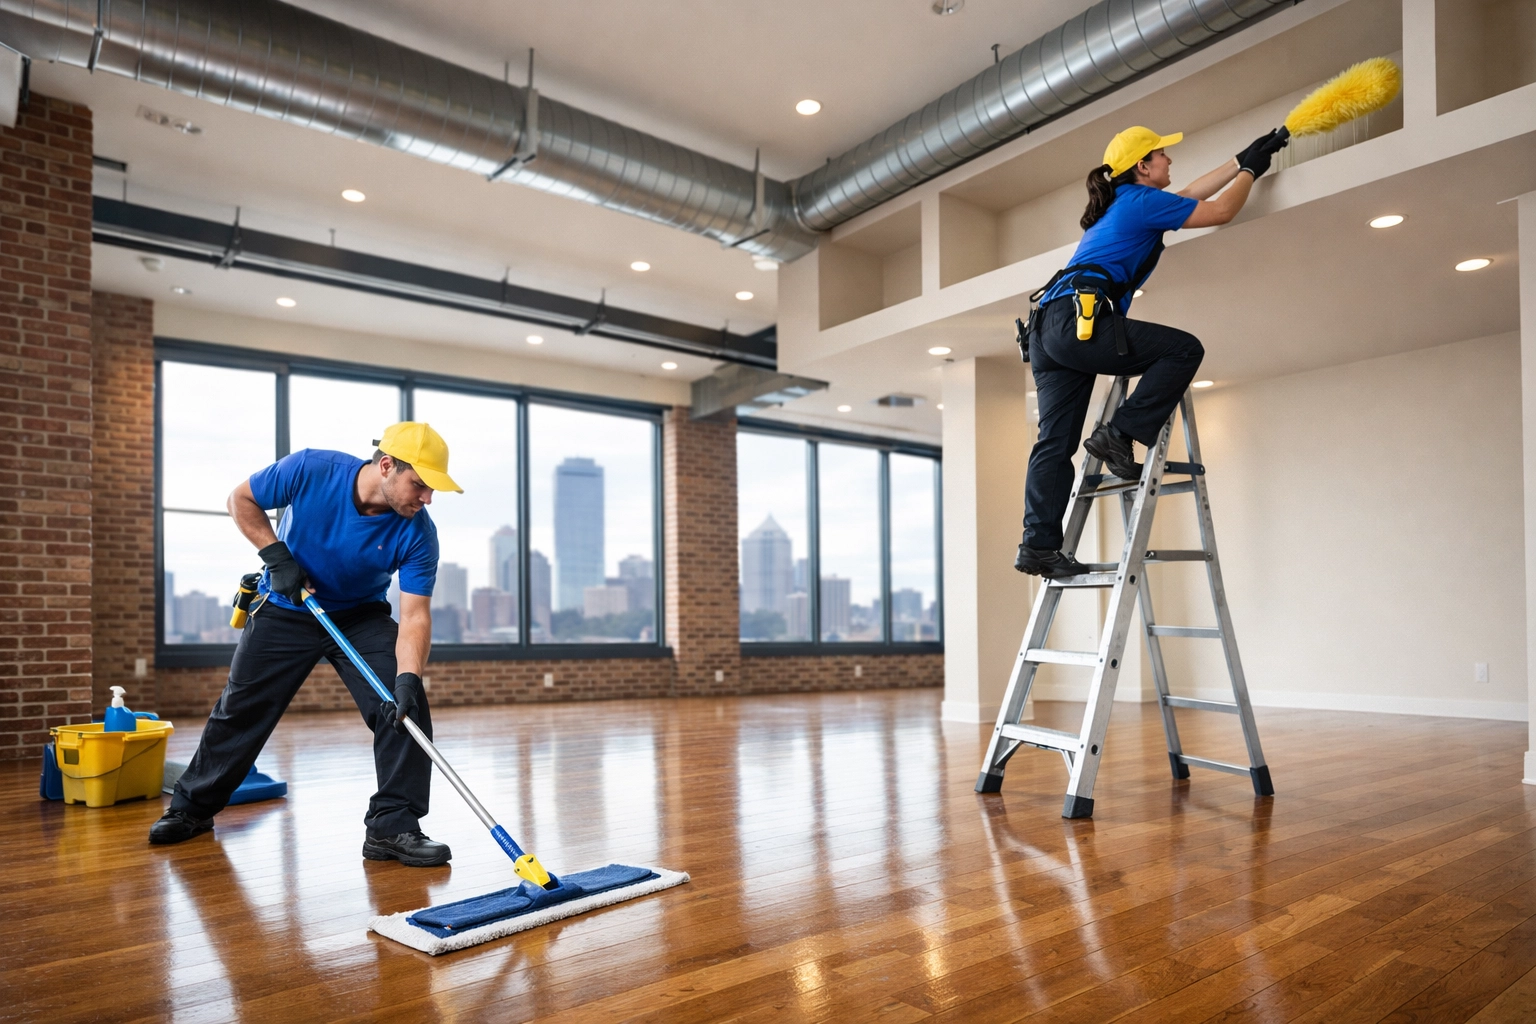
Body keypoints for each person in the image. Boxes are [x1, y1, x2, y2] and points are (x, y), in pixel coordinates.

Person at [149, 422, 462, 867]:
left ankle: (393, 828)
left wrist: (408, 678)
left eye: (433, 489)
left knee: (403, 709)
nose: (427, 498)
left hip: (359, 616)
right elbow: (241, 499)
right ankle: (192, 809)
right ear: (387, 466)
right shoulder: (312, 469)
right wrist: (277, 558)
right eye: (420, 485)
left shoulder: (418, 533)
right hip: (286, 606)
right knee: (242, 709)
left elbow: (414, 616)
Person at [1014, 125, 1287, 578]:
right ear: (1143, 165)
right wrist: (1251, 174)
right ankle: (1119, 434)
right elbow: (1220, 210)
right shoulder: (1140, 202)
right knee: (1183, 350)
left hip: (1048, 328)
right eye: (1163, 154)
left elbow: (1188, 195)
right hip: (1077, 320)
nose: (1169, 160)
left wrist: (1241, 160)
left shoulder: (1125, 203)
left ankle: (1038, 547)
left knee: (1054, 443)